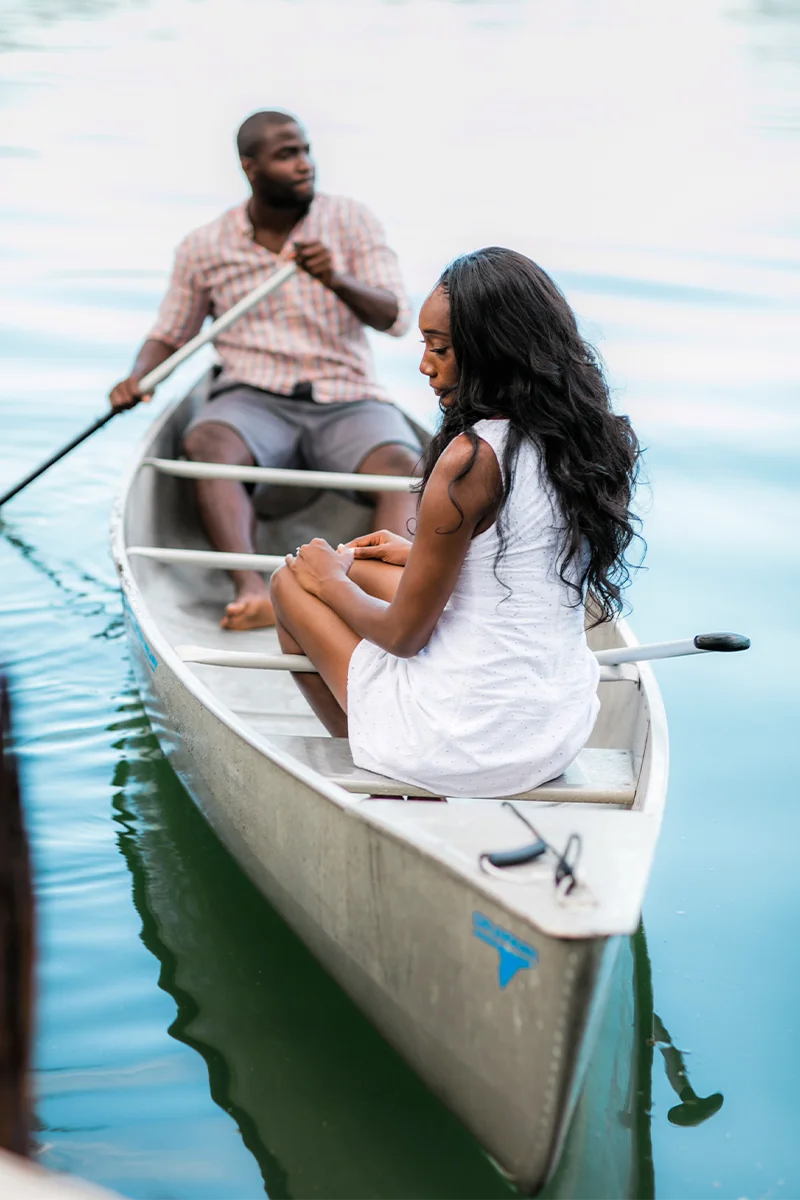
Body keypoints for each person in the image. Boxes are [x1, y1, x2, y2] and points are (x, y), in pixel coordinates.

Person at [269, 247, 641, 799]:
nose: (425, 365)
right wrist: (413, 556)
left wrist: (329, 581)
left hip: (465, 744)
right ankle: (390, 748)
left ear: (495, 351)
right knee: (371, 569)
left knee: (290, 583)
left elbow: (402, 636)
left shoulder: (469, 459)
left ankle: (388, 768)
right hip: (554, 736)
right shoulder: (591, 440)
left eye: (439, 348)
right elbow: (520, 552)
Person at [109, 110, 421, 631]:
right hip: (251, 396)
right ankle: (251, 591)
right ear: (250, 168)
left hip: (346, 394)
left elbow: (393, 317)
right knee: (208, 445)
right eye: (285, 155)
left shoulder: (351, 220)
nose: (304, 165)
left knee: (404, 468)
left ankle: (376, 602)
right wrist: (139, 377)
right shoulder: (205, 246)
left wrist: (336, 277)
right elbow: (170, 332)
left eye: (304, 150)